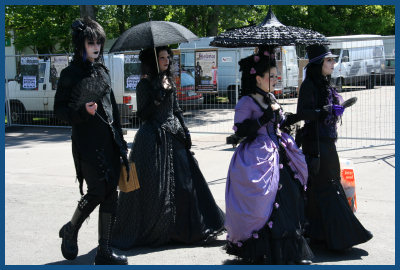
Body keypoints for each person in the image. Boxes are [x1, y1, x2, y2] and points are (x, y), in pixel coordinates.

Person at [111, 46, 225, 249]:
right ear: (153, 61)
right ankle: (156, 230)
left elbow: (176, 109)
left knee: (186, 183)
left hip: (174, 135)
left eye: (168, 57)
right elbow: (144, 115)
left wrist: (185, 129)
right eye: (162, 58)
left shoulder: (169, 81)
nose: (167, 61)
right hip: (151, 139)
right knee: (151, 187)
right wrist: (158, 95)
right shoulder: (144, 84)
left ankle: (188, 229)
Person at [224, 51, 314, 264]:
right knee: (264, 201)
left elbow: (280, 123)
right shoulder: (246, 101)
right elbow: (241, 130)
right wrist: (264, 118)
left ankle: (292, 252)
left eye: (276, 75)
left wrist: (294, 118)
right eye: (271, 76)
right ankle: (263, 252)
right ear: (258, 78)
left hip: (281, 152)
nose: (275, 79)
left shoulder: (271, 97)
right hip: (258, 156)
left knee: (290, 197)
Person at [54, 17, 129, 265]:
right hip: (86, 143)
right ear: (81, 44)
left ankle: (104, 251)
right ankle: (71, 228)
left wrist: (120, 140)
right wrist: (81, 112)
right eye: (90, 42)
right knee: (97, 190)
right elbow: (60, 111)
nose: (96, 46)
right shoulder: (70, 74)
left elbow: (112, 109)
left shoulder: (103, 71)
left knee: (111, 194)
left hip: (108, 140)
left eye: (99, 42)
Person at [296, 44, 373, 251]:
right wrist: (325, 110)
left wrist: (336, 109)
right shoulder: (309, 85)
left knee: (322, 187)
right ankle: (340, 236)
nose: (333, 63)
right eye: (329, 60)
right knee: (326, 186)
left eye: (332, 60)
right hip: (316, 143)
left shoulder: (325, 83)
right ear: (318, 63)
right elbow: (303, 113)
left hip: (327, 141)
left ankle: (321, 234)